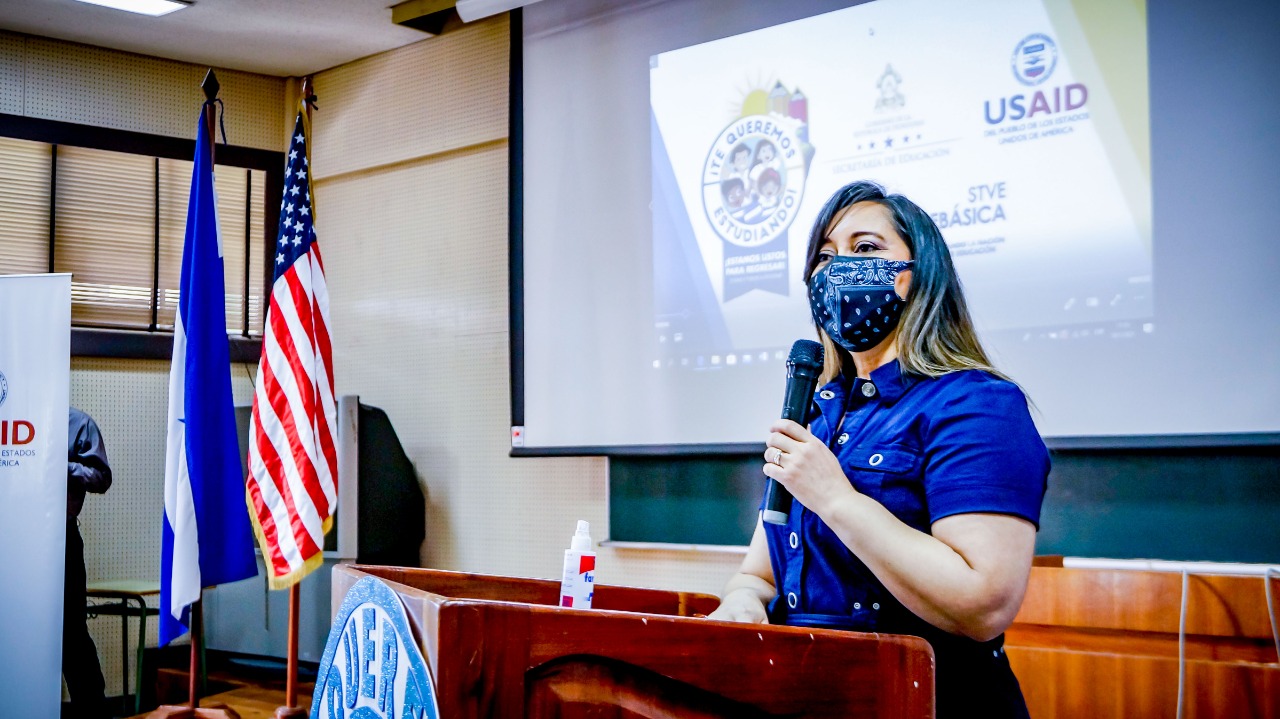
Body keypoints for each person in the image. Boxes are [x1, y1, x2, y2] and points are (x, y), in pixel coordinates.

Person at [708, 181, 1049, 718]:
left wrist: (838, 500)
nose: (839, 268)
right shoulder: (817, 416)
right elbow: (759, 573)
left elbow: (983, 603)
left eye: (865, 248)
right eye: (825, 256)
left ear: (916, 276)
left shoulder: (977, 404)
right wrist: (742, 602)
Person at [65, 407, 112, 719]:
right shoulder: (10, 419)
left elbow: (101, 477)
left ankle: (93, 714)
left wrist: (62, 467)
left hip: (61, 541)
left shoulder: (77, 423)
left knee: (71, 633)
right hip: (13, 541)